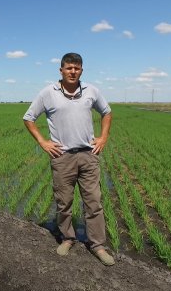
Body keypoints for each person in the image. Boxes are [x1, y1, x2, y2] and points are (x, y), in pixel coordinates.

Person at [23, 52, 115, 266]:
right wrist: (43, 142)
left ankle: (97, 245)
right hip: (62, 157)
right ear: (61, 70)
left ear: (81, 70)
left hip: (88, 155)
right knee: (64, 203)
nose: (73, 71)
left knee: (94, 202)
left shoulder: (91, 91)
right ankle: (67, 238)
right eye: (69, 68)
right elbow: (28, 118)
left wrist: (103, 138)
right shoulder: (48, 93)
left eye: (77, 68)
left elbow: (107, 112)